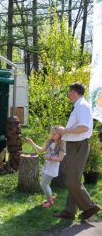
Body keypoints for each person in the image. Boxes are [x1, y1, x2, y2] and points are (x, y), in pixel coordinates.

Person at [54, 82, 100, 220]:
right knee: (73, 179)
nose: (68, 94)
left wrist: (64, 130)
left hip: (78, 145)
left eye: (69, 92)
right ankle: (70, 211)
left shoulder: (81, 106)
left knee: (71, 180)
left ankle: (90, 206)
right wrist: (65, 133)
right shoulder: (79, 106)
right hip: (75, 145)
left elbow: (84, 127)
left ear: (74, 92)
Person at [26, 125, 65, 208]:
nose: (52, 135)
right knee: (44, 183)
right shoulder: (50, 142)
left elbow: (60, 158)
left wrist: (49, 157)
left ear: (60, 135)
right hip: (46, 166)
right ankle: (49, 198)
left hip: (52, 168)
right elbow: (41, 150)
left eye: (54, 134)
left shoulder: (61, 145)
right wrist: (31, 142)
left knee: (44, 184)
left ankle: (50, 201)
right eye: (52, 133)